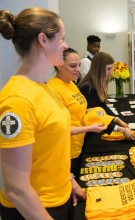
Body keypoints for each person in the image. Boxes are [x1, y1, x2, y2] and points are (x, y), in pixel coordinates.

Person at [0, 7, 84, 219]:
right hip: (35, 209)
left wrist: (69, 179)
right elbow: (16, 189)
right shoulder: (17, 100)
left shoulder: (44, 86)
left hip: (60, 197)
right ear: (43, 40)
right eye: (62, 38)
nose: (65, 45)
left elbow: (51, 147)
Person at [48, 48, 108, 180]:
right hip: (66, 151)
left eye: (79, 65)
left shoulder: (71, 84)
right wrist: (90, 128)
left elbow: (77, 110)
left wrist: (91, 111)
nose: (78, 69)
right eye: (73, 66)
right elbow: (60, 129)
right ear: (59, 64)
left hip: (78, 147)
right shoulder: (54, 89)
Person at [77, 52, 135, 140]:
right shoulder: (87, 88)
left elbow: (102, 106)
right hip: (87, 134)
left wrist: (117, 119)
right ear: (99, 69)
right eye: (108, 69)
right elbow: (95, 116)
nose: (110, 73)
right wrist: (119, 129)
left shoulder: (95, 84)